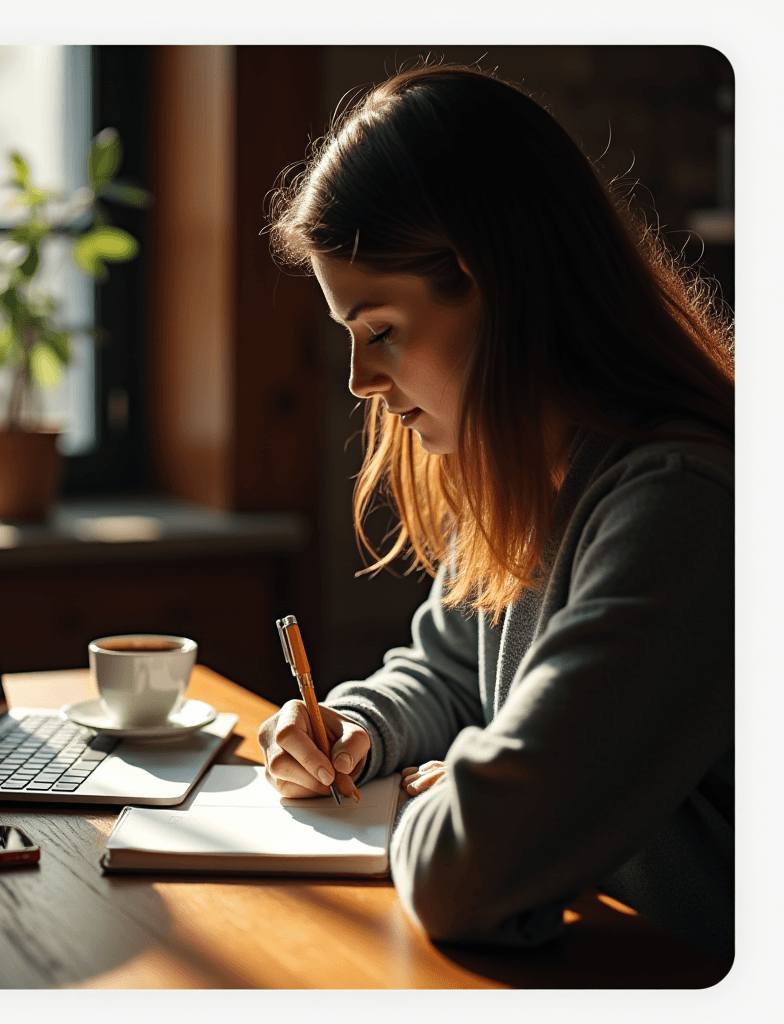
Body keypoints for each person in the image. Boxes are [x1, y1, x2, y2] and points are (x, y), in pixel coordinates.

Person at [258, 63, 734, 964]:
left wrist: (418, 802)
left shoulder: (683, 509)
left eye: (381, 330)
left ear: (496, 284)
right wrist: (358, 731)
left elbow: (461, 874)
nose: (360, 381)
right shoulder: (533, 471)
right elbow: (448, 669)